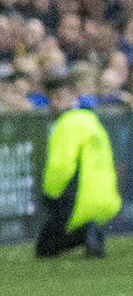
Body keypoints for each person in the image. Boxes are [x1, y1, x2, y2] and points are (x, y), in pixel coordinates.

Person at [37, 74, 120, 258]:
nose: (54, 103)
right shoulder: (91, 119)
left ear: (73, 96)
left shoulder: (66, 123)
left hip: (79, 201)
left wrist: (49, 195)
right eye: (51, 99)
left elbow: (60, 167)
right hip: (105, 201)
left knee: (45, 248)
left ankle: (85, 232)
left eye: (58, 97)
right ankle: (92, 231)